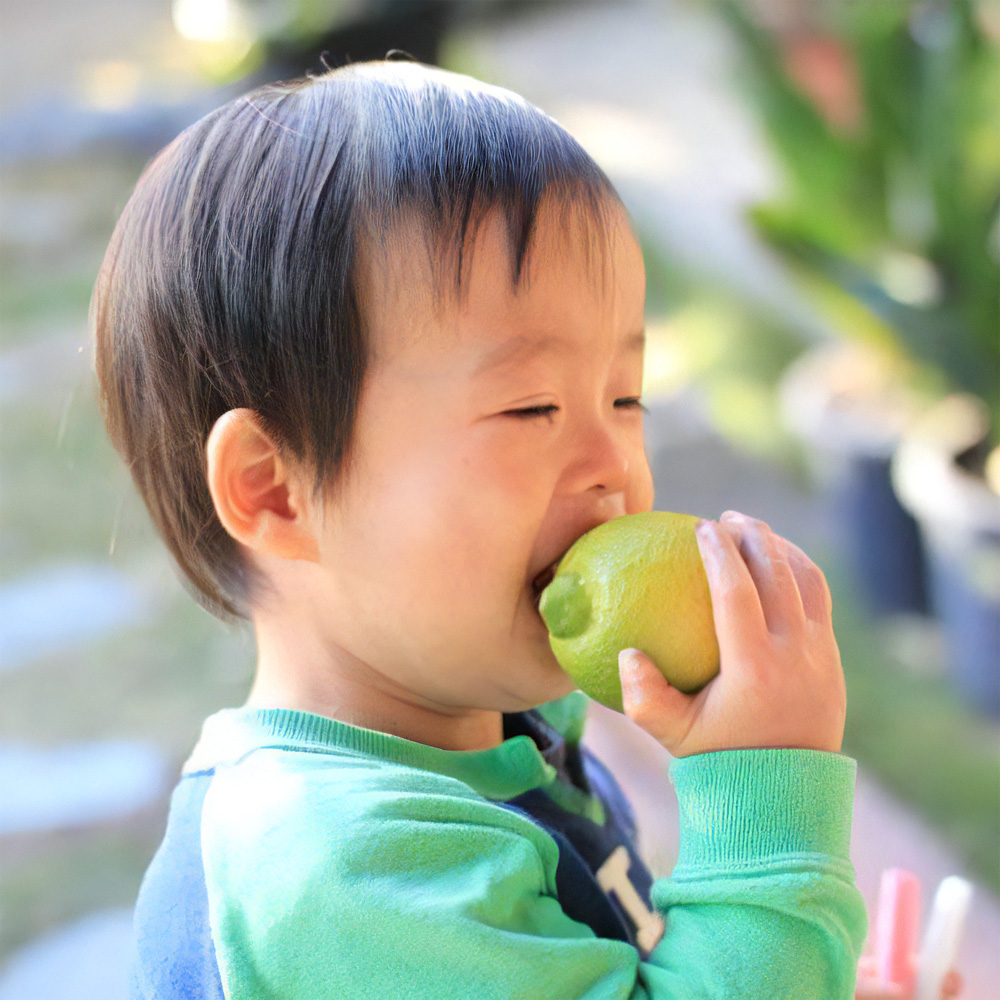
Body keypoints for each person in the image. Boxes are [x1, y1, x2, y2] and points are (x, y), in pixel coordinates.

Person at [92, 58, 912, 998]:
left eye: (626, 395)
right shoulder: (345, 874)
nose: (616, 464)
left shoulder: (499, 728)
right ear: (275, 490)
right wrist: (768, 828)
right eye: (530, 407)